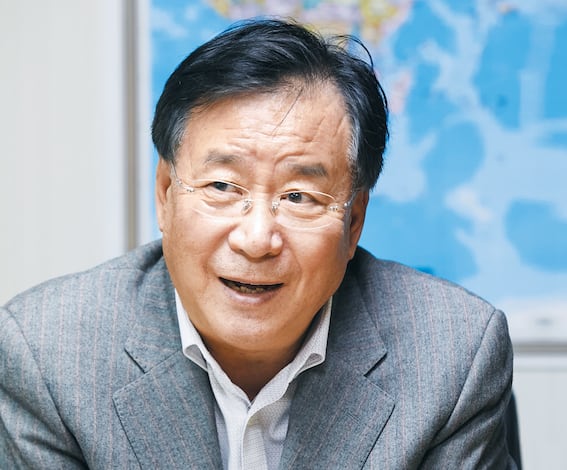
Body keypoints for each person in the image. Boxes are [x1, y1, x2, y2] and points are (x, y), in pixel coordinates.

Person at [0, 18, 516, 469]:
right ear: (165, 194)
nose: (256, 240)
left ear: (354, 221)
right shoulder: (48, 354)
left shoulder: (453, 356)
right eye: (223, 187)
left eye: (300, 196)